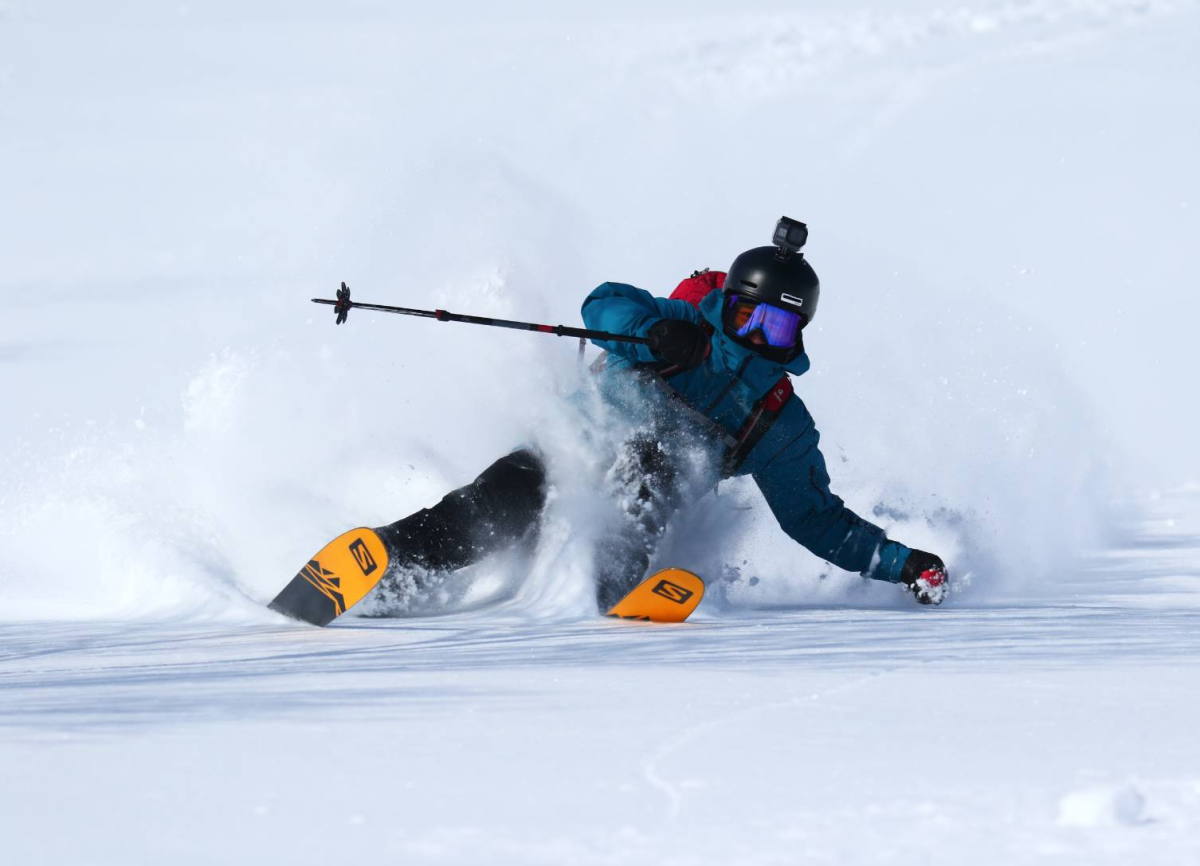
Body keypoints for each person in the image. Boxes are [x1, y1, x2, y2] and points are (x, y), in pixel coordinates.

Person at [373, 218, 949, 611]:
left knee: (653, 463)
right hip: (570, 448)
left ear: (798, 334)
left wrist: (901, 563)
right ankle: (389, 565)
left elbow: (816, 520)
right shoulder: (689, 321)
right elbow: (605, 302)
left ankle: (602, 584)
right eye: (751, 318)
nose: (758, 338)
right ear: (730, 303)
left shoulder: (779, 422)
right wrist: (654, 333)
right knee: (496, 503)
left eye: (779, 328)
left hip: (649, 481)